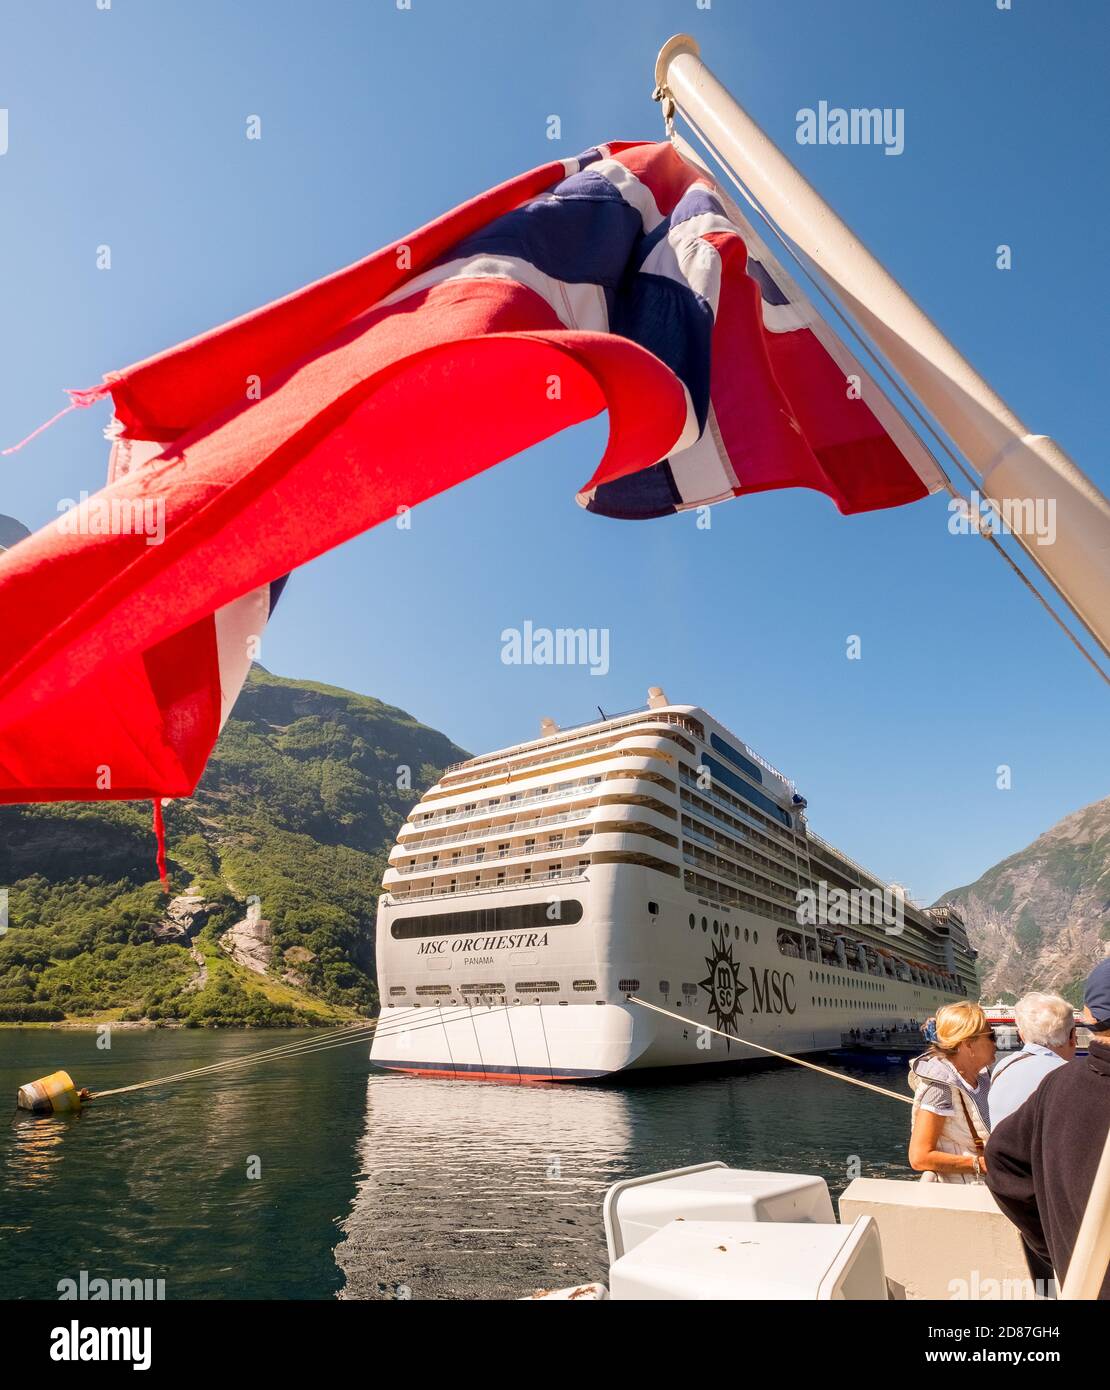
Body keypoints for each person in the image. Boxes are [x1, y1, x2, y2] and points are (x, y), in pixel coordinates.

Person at [986, 961, 1110, 1298]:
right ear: (1074, 1031)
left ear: (1088, 1019)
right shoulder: (1056, 1077)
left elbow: (1000, 1159)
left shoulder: (1056, 1084)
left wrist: (1056, 1243)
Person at [907, 1001, 996, 1183]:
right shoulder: (941, 1088)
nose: (996, 1042)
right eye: (991, 1036)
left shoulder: (981, 1080)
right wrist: (980, 1164)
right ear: (968, 1044)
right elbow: (919, 1156)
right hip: (966, 1190)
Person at [988, 992, 1076, 1127]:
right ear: (1073, 1036)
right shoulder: (1070, 1076)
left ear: (1022, 1036)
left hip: (998, 1147)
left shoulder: (1002, 1067)